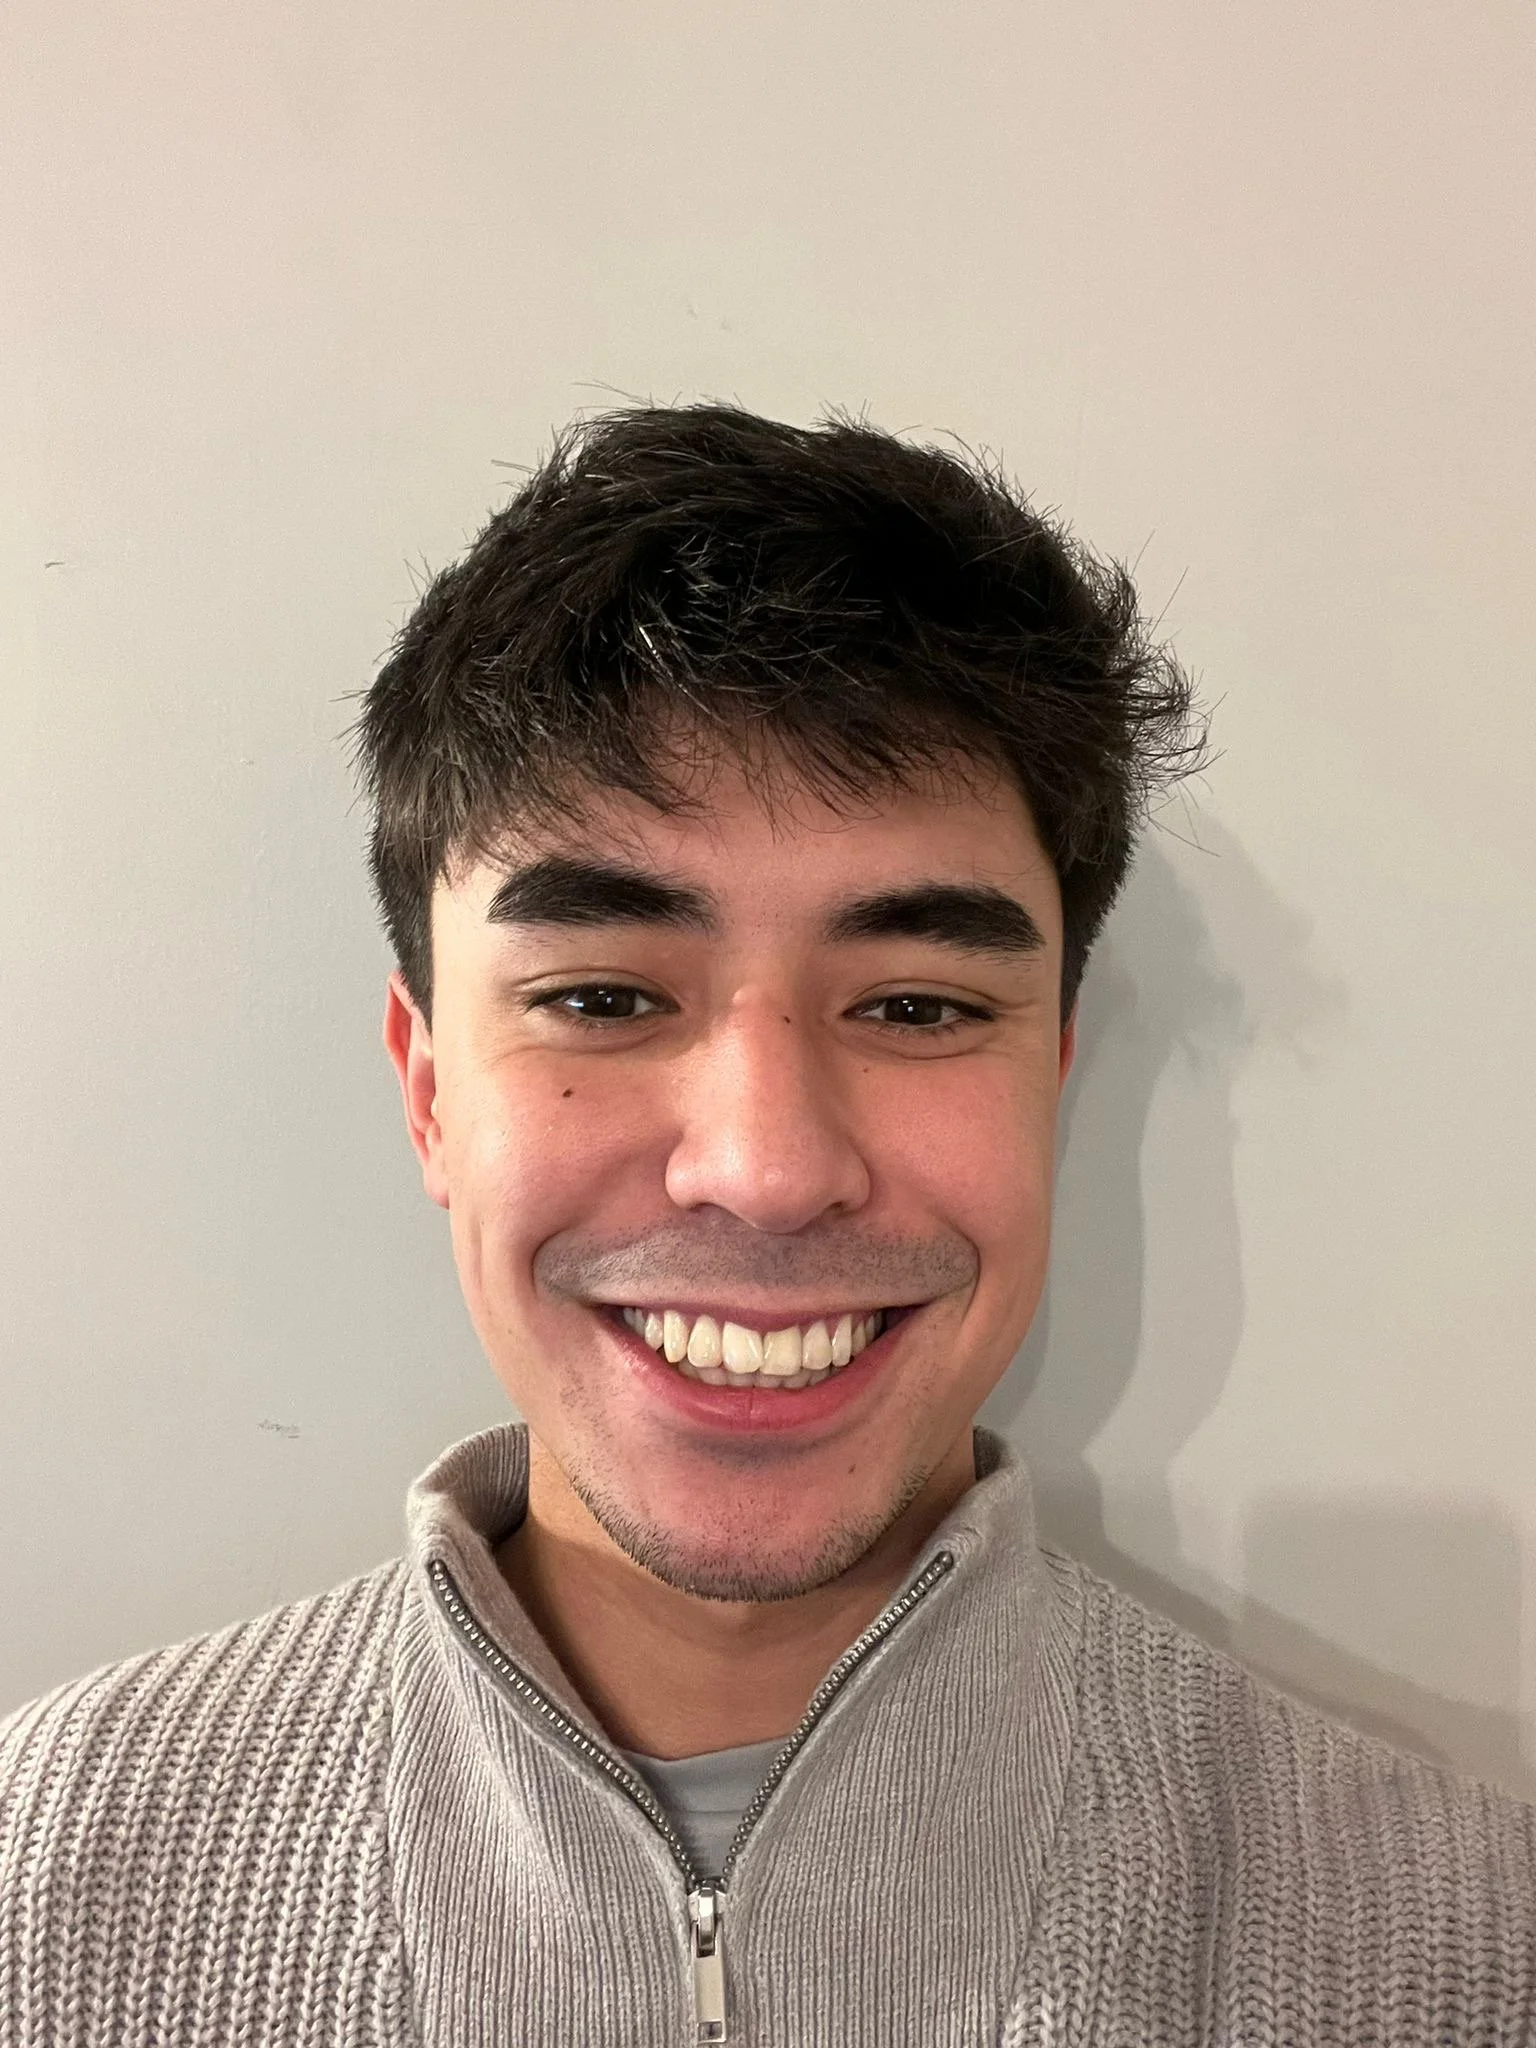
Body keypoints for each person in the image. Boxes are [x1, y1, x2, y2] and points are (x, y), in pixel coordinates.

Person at [2, 404, 1531, 2048]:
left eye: (922, 1007)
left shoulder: (1455, 1932)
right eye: (599, 995)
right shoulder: (45, 1887)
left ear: (1054, 1084)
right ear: (430, 1092)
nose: (767, 1167)